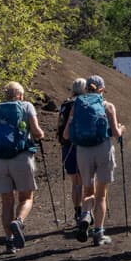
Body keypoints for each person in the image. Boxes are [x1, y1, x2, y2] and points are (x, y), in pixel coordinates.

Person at [63, 74, 125, 246]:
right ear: (102, 89)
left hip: (83, 151)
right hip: (103, 149)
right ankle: (99, 233)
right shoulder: (107, 106)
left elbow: (66, 134)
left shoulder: (77, 104)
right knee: (101, 195)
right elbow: (115, 133)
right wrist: (121, 129)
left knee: (88, 191)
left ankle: (85, 215)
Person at [0, 81, 45, 254]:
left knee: (6, 201)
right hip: (21, 158)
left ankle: (9, 241)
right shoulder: (26, 106)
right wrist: (40, 134)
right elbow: (36, 131)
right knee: (26, 197)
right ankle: (18, 221)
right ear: (19, 95)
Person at [57, 77, 89, 224]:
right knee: (86, 181)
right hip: (82, 146)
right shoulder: (84, 103)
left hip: (67, 146)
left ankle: (77, 211)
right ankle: (85, 213)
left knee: (75, 182)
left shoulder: (65, 104)